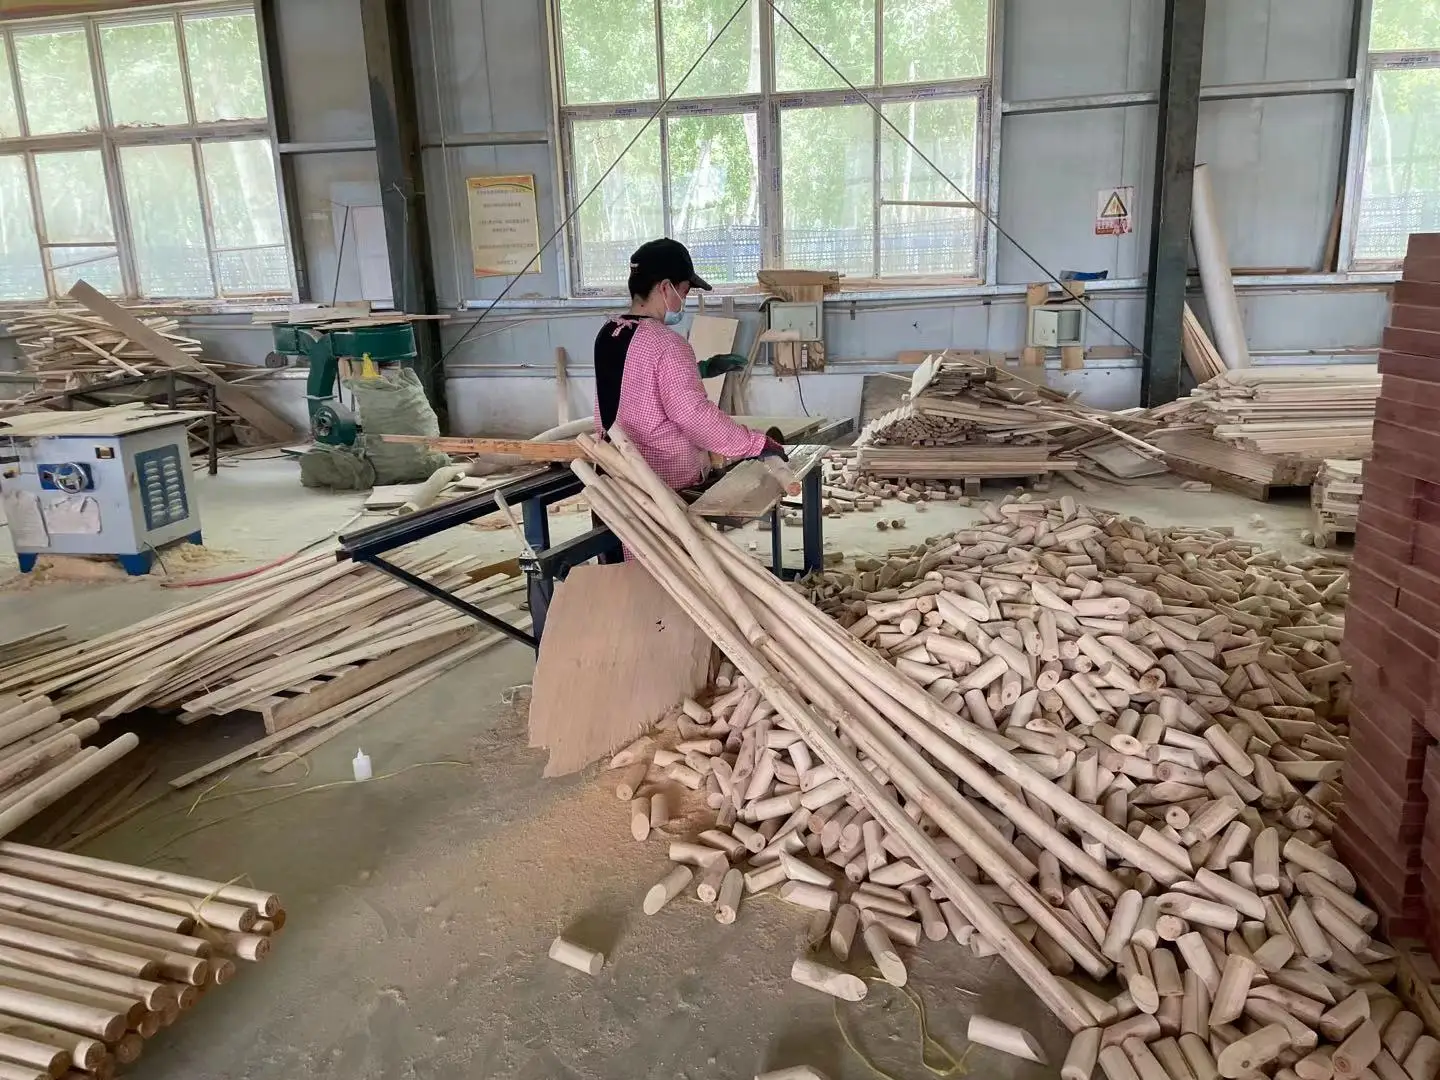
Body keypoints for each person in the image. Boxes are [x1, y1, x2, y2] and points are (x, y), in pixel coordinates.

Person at [593, 238, 784, 492]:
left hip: (613, 476)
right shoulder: (667, 343)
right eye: (684, 291)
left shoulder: (609, 333)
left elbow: (637, 385)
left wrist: (699, 370)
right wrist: (756, 444)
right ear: (665, 288)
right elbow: (693, 416)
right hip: (663, 486)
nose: (684, 299)